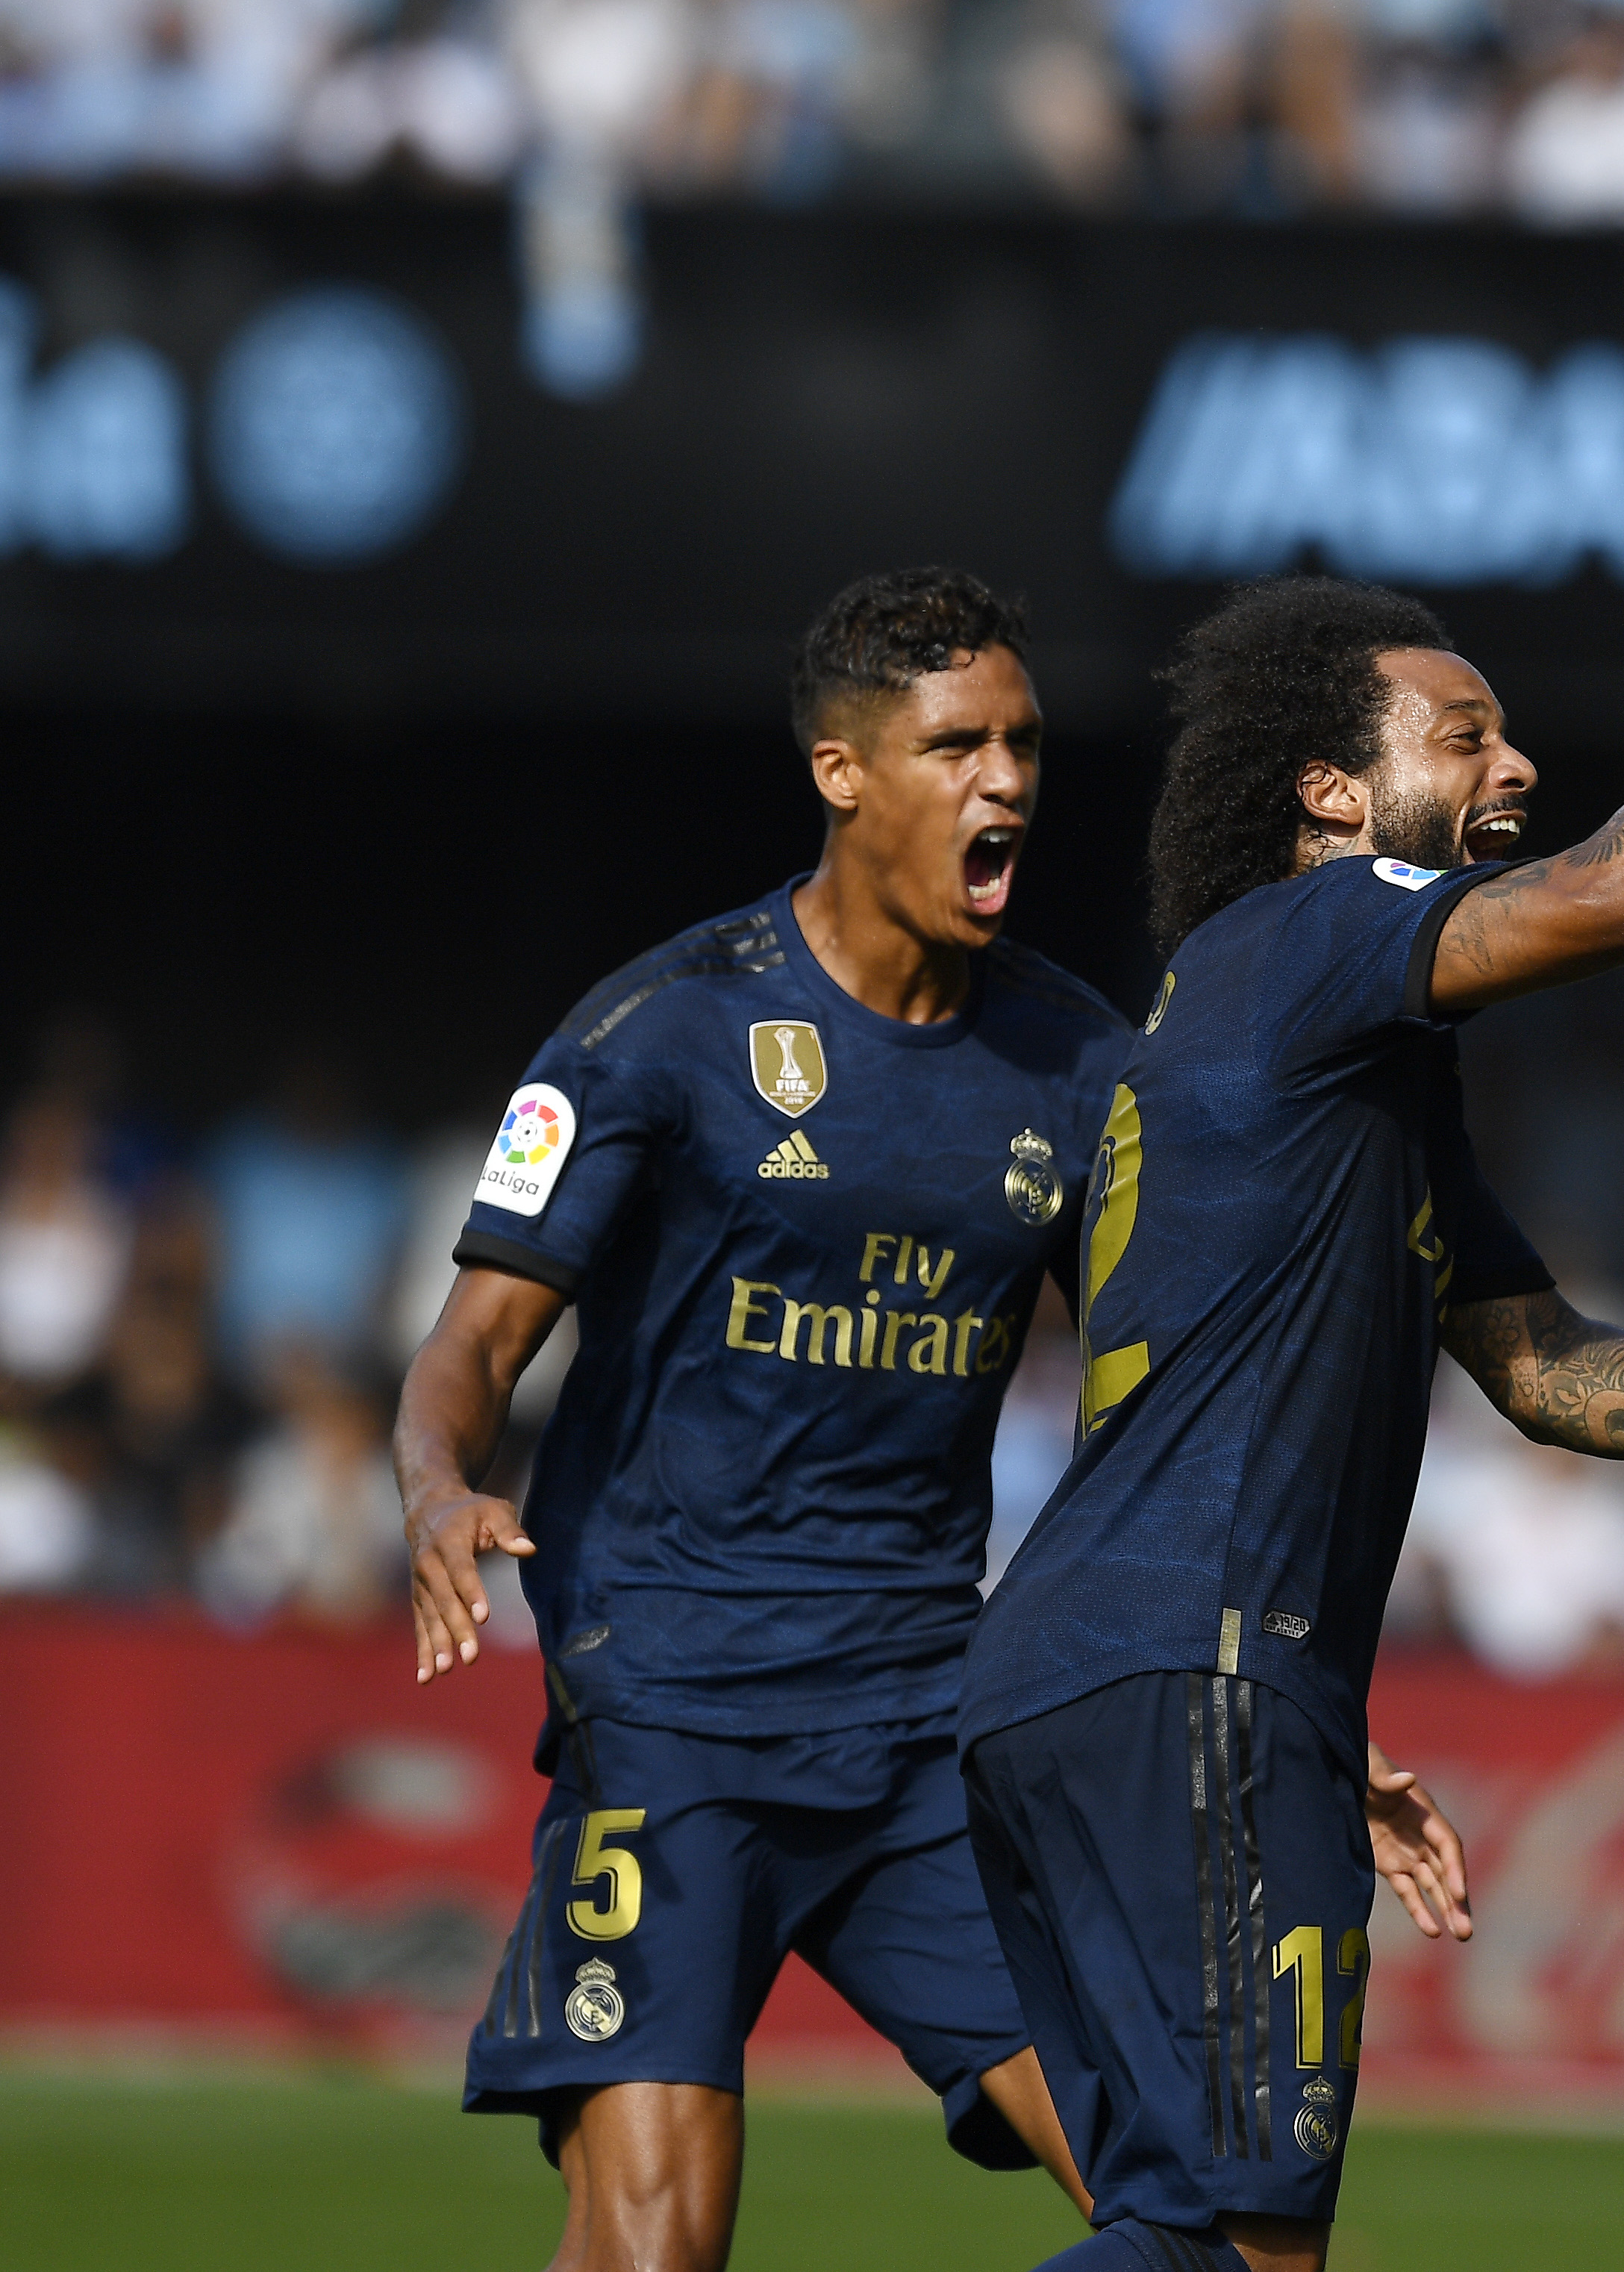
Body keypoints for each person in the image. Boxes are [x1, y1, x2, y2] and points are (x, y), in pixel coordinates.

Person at [956, 561, 1624, 2272]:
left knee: (1183, 2224)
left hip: (1119, 1674)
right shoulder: (1314, 934)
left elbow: (1542, 1367)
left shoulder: (1329, 1063)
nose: (1514, 763)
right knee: (1235, 2244)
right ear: (1330, 792)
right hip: (1200, 1670)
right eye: (1463, 735)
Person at [395, 569, 1119, 2271]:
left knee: (1181, 2184)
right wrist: (436, 1485)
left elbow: (1178, 1383)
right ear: (842, 769)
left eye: (1021, 739)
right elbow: (475, 1340)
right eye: (957, 743)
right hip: (674, 1707)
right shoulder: (661, 1030)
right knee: (657, 2248)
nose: (1004, 776)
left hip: (928, 1728)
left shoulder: (1081, 1063)